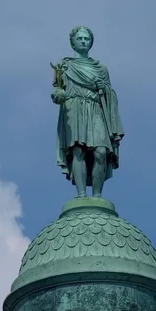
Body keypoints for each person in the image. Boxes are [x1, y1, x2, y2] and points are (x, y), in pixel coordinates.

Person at [51, 26, 124, 198]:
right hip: (74, 108)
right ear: (73, 43)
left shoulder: (101, 69)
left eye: (86, 39)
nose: (83, 41)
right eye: (80, 39)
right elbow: (58, 90)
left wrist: (104, 88)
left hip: (95, 109)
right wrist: (58, 96)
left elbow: (111, 95)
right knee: (78, 151)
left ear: (91, 42)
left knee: (100, 151)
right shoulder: (64, 65)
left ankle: (97, 195)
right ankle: (82, 194)